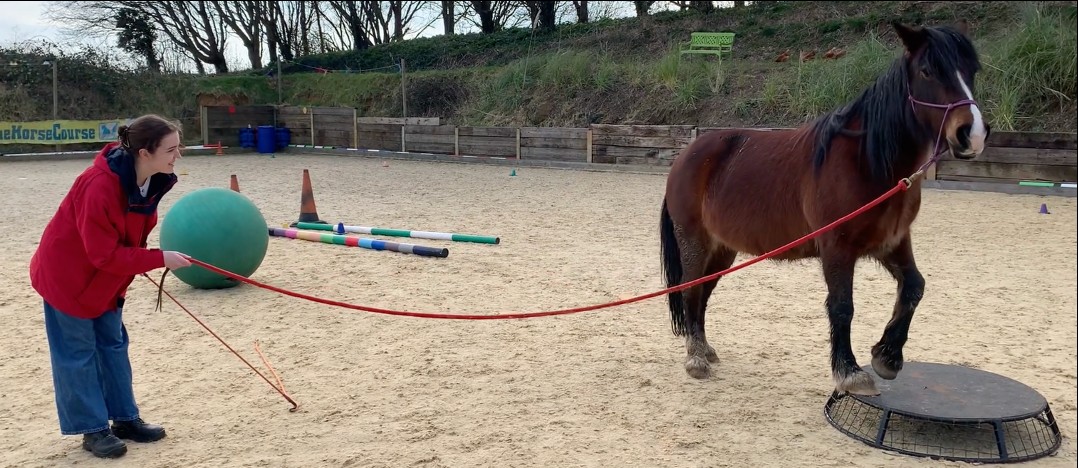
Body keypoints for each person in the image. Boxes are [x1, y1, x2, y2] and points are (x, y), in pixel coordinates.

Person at [29, 114, 193, 459]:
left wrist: (143, 262)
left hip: (108, 279)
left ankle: (125, 418)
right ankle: (91, 429)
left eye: (178, 148)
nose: (177, 156)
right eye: (171, 149)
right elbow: (102, 253)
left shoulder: (152, 180)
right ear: (145, 152)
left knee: (113, 345)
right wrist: (159, 259)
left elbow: (126, 238)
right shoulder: (99, 185)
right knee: (77, 354)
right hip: (68, 278)